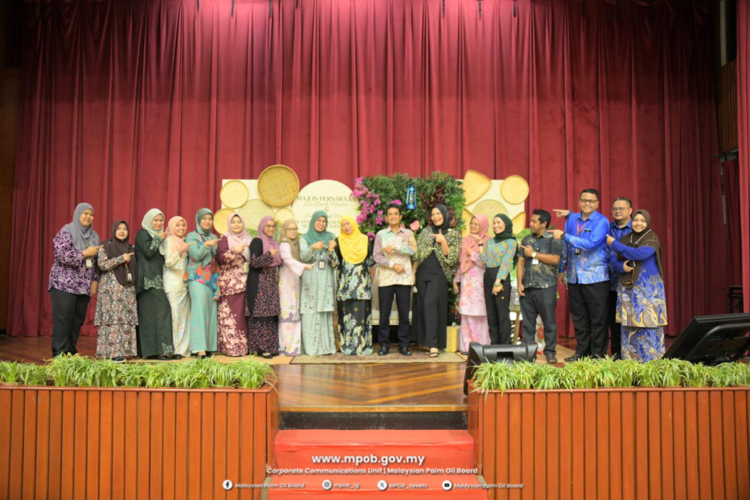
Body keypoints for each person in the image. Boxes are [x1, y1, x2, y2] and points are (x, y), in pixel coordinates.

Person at [552, 188, 610, 361]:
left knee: (598, 319)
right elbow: (565, 246)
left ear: (597, 204)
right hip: (574, 276)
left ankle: (598, 355)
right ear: (579, 202)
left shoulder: (602, 221)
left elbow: (591, 244)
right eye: (584, 200)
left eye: (591, 201)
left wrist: (565, 236)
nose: (587, 203)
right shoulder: (572, 219)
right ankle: (581, 353)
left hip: (595, 277)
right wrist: (561, 269)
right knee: (579, 318)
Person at [607, 210, 667, 362]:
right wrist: (621, 267)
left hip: (647, 290)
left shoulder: (652, 238)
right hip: (627, 288)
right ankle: (630, 363)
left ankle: (650, 363)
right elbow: (613, 258)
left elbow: (638, 254)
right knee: (628, 325)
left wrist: (614, 244)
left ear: (648, 222)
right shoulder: (627, 238)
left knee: (647, 324)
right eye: (635, 220)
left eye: (642, 220)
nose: (638, 223)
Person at [48, 203, 101, 357]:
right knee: (63, 319)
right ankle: (59, 354)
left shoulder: (94, 236)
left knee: (77, 320)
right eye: (85, 213)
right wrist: (84, 253)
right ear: (78, 214)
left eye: (91, 214)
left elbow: (97, 261)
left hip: (83, 286)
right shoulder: (66, 232)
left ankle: (70, 352)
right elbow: (61, 256)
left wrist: (95, 280)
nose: (88, 217)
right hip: (63, 284)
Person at [413, 204, 461, 357]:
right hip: (422, 273)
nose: (435, 217)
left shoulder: (453, 235)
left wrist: (443, 241)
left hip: (438, 274)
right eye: (433, 214)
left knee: (430, 304)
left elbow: (451, 259)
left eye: (438, 214)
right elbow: (417, 255)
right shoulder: (425, 232)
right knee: (422, 304)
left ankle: (433, 344)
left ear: (445, 215)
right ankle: (424, 341)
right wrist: (413, 273)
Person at [516, 209, 562, 363]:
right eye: (531, 221)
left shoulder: (553, 239)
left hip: (546, 287)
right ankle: (529, 353)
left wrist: (534, 254)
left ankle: (550, 352)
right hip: (528, 286)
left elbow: (555, 259)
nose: (531, 224)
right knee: (528, 323)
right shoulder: (526, 240)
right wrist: (519, 283)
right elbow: (521, 261)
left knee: (549, 322)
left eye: (534, 221)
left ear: (544, 224)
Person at [373, 203, 417, 356]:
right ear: (386, 217)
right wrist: (392, 265)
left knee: (404, 314)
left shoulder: (408, 233)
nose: (393, 216)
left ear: (400, 216)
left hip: (404, 278)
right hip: (386, 278)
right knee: (384, 314)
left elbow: (414, 251)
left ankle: (404, 345)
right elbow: (376, 256)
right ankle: (384, 345)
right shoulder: (381, 234)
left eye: (395, 214)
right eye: (390, 214)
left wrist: (396, 248)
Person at [330, 215, 374, 356]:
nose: (346, 227)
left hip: (362, 288)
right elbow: (334, 264)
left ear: (354, 224)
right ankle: (347, 346)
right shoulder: (338, 241)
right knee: (347, 319)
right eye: (343, 225)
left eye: (348, 224)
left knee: (362, 318)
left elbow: (371, 262)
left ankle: (362, 346)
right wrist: (330, 250)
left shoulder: (365, 240)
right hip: (345, 289)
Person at [95, 220, 137, 361]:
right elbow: (102, 265)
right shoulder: (105, 246)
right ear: (114, 230)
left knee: (125, 319)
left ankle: (123, 352)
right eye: (119, 228)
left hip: (127, 289)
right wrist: (120, 259)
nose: (122, 231)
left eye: (125, 229)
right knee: (112, 319)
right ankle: (112, 353)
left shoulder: (131, 248)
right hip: (110, 291)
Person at [135, 208, 174, 359]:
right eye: (155, 220)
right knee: (162, 311)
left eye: (160, 220)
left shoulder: (157, 235)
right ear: (149, 221)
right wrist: (159, 238)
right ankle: (160, 350)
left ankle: (150, 351)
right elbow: (148, 252)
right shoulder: (143, 233)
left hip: (156, 278)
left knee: (149, 315)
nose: (158, 223)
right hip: (147, 278)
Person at [300, 211, 337, 356]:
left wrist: (331, 249)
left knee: (324, 312)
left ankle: (326, 346)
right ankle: (311, 347)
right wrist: (313, 248)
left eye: (324, 221)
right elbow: (303, 258)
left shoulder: (331, 237)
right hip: (310, 280)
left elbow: (335, 263)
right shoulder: (304, 238)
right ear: (313, 221)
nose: (321, 223)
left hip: (325, 279)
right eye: (318, 220)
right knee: (310, 312)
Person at [476, 214, 517, 345]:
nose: (496, 225)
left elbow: (506, 262)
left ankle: (505, 345)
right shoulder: (490, 242)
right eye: (494, 223)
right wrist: (480, 244)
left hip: (501, 277)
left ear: (506, 224)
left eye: (499, 222)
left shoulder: (511, 242)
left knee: (502, 313)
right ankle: (494, 344)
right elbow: (485, 260)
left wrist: (498, 282)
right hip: (488, 275)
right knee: (491, 313)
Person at [454, 215, 490, 353]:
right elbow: (461, 262)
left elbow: (486, 263)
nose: (473, 226)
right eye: (471, 223)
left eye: (476, 224)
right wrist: (456, 280)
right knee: (466, 313)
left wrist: (472, 254)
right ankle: (466, 347)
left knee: (479, 313)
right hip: (466, 282)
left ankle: (481, 346)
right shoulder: (465, 240)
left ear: (483, 226)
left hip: (479, 282)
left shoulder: (488, 241)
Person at [186, 208, 219, 358]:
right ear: (199, 220)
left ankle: (209, 346)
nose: (207, 221)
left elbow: (216, 258)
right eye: (204, 219)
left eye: (209, 219)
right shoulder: (191, 236)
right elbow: (195, 255)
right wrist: (206, 245)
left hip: (211, 278)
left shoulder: (213, 236)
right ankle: (199, 348)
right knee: (199, 311)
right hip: (197, 277)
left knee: (211, 312)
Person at [217, 213, 252, 357]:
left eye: (239, 222)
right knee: (231, 317)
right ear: (229, 224)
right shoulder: (225, 239)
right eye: (233, 222)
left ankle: (244, 348)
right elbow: (221, 257)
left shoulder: (249, 238)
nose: (236, 225)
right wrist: (234, 251)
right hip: (230, 284)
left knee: (243, 317)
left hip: (246, 283)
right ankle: (231, 348)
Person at [246, 216, 282, 358]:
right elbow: (254, 262)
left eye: (273, 226)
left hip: (271, 282)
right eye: (268, 226)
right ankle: (260, 348)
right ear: (262, 227)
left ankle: (271, 346)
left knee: (271, 315)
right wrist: (268, 255)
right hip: (259, 282)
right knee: (260, 315)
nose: (271, 229)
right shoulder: (257, 241)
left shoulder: (274, 243)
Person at [278, 219, 311, 356]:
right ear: (284, 231)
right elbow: (288, 260)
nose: (292, 231)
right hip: (286, 283)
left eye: (295, 229)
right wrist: (304, 266)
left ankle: (295, 347)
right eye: (289, 229)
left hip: (295, 282)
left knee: (295, 313)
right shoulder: (284, 244)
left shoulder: (296, 244)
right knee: (287, 313)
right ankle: (286, 347)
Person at [160, 216, 192, 359]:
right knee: (175, 318)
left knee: (184, 317)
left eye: (183, 225)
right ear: (172, 227)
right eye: (177, 225)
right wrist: (181, 251)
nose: (181, 228)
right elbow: (169, 262)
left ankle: (184, 349)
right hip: (173, 284)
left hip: (183, 283)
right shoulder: (169, 241)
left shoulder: (183, 241)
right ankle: (174, 349)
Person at [606, 198, 633, 359]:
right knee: (613, 320)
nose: (617, 211)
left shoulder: (636, 228)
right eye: (615, 209)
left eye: (621, 208)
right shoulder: (607, 228)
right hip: (610, 282)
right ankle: (616, 353)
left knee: (630, 318)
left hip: (630, 282)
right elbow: (607, 253)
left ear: (630, 210)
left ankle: (631, 353)